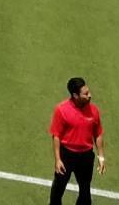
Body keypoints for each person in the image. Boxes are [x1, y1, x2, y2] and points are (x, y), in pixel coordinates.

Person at [48, 77, 104, 205]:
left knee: (85, 193)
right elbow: (56, 135)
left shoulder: (93, 110)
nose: (90, 95)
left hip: (86, 157)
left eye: (88, 92)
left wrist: (101, 157)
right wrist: (57, 159)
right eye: (85, 94)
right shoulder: (61, 110)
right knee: (58, 190)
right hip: (66, 155)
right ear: (75, 95)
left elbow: (98, 134)